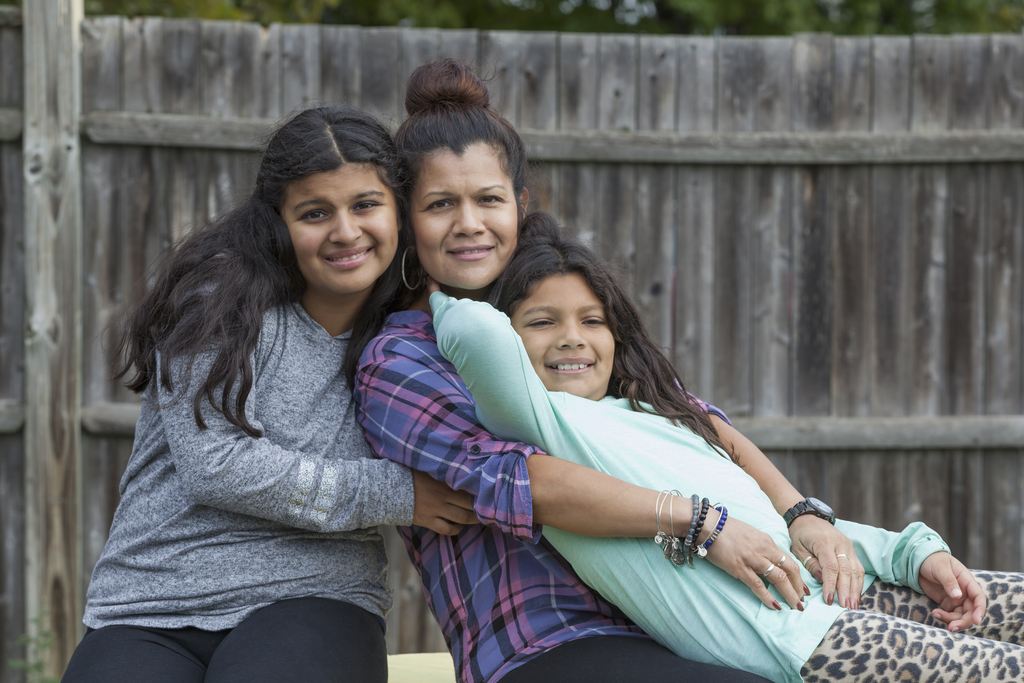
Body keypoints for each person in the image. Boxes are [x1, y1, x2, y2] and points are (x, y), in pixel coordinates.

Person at [354, 58, 867, 683]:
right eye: (440, 204)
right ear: (407, 218)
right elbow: (524, 482)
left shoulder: (546, 308)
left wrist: (800, 513)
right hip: (552, 637)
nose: (469, 223)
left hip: (684, 615)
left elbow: (684, 413)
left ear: (518, 205)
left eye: (488, 199)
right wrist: (700, 520)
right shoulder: (400, 362)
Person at [429, 213, 1023, 682]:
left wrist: (914, 555)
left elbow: (786, 527)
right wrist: (427, 275)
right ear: (510, 333)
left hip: (847, 594)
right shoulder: (543, 422)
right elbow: (472, 331)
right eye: (540, 322)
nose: (572, 339)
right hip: (798, 642)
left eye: (592, 319)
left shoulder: (657, 413)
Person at [63, 106, 476, 683]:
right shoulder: (218, 298)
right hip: (154, 601)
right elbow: (216, 464)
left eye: (365, 205)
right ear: (278, 222)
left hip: (317, 598)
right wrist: (397, 492)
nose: (345, 232)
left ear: (399, 212)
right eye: (315, 212)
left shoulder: (420, 334)